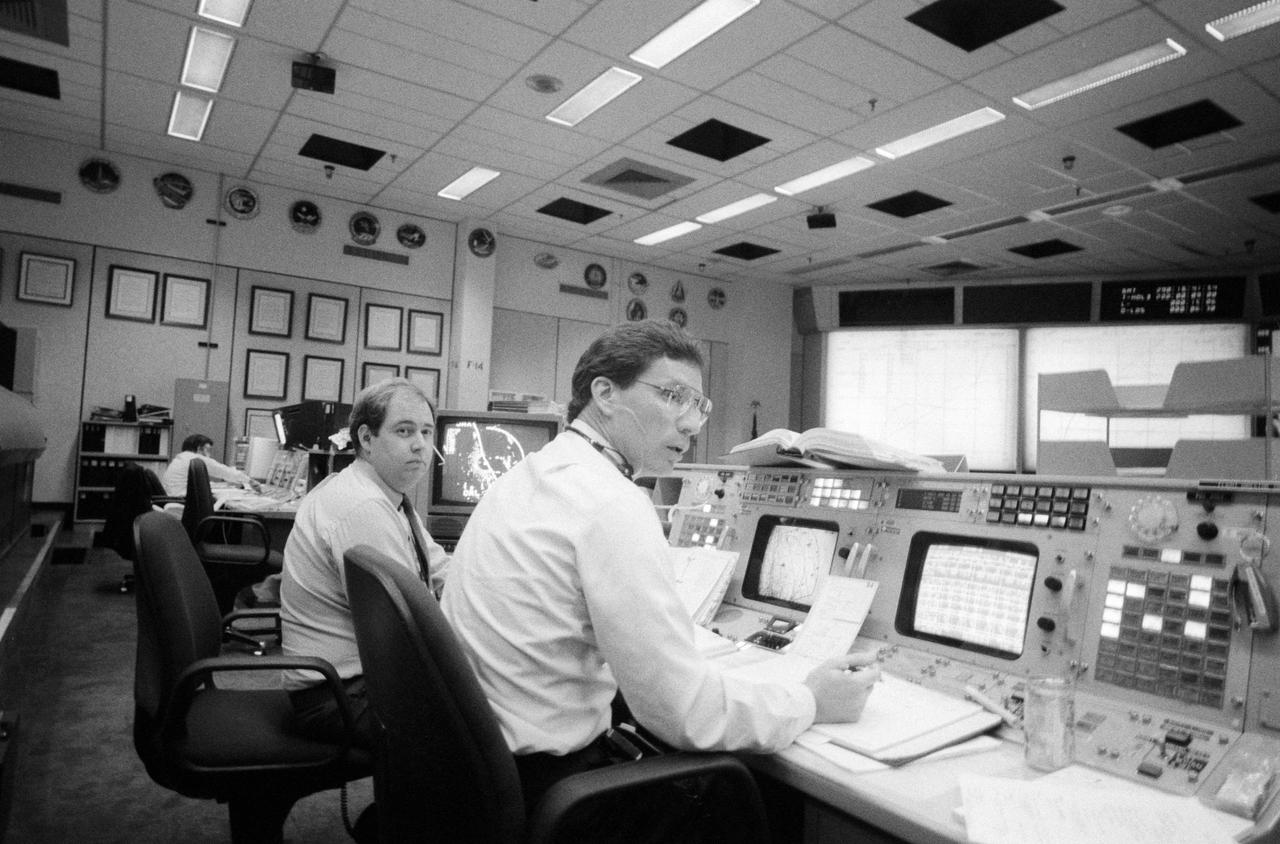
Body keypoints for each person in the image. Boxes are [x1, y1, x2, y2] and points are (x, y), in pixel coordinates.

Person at [442, 320, 879, 806]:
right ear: (605, 393)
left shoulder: (531, 475)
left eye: (699, 406)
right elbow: (683, 711)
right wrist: (812, 700)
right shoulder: (609, 500)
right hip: (549, 787)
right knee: (745, 798)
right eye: (673, 396)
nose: (691, 423)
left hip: (477, 776)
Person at [280, 378, 450, 749]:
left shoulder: (382, 494)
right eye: (404, 431)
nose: (420, 444)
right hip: (338, 697)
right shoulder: (363, 507)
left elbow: (437, 568)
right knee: (486, 714)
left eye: (426, 431)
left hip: (350, 683)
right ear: (367, 439)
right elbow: (409, 626)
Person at [161, 433, 259, 496]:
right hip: (182, 500)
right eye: (208, 450)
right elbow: (223, 471)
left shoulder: (181, 458)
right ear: (199, 448)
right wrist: (250, 481)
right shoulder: (195, 459)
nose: (209, 454)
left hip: (174, 498)